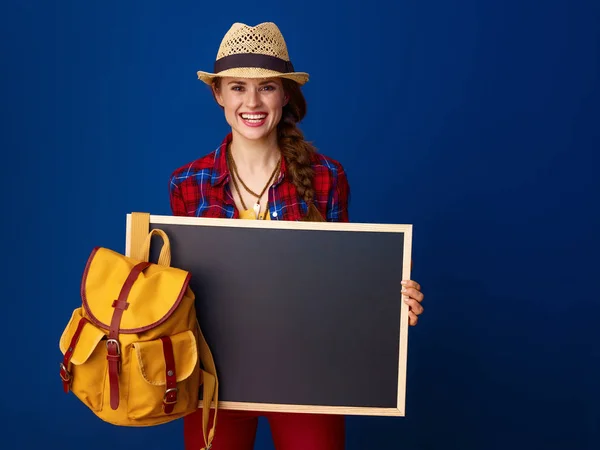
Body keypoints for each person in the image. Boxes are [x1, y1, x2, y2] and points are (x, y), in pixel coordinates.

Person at [168, 21, 425, 450]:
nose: (252, 102)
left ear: (285, 95)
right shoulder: (187, 181)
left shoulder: (327, 176)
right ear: (218, 94)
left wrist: (391, 300)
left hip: (310, 374)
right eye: (237, 88)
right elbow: (178, 289)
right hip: (213, 377)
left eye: (266, 87)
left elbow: (343, 280)